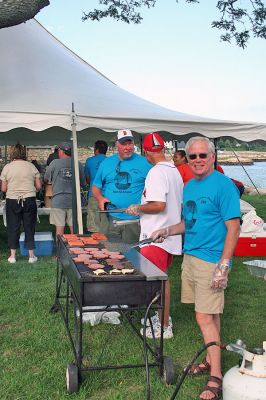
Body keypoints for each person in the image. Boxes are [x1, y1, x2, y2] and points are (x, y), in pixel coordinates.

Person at [151, 137, 240, 400]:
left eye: (203, 155)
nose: (198, 160)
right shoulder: (189, 186)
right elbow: (187, 222)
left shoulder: (223, 186)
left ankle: (217, 377)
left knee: (203, 317)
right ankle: (212, 360)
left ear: (212, 156)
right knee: (210, 315)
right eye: (193, 157)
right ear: (187, 160)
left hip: (211, 260)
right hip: (190, 256)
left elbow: (234, 228)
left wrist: (223, 265)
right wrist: (167, 230)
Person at [126, 132, 183, 339]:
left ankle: (164, 325)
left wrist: (137, 207)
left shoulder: (156, 173)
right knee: (160, 282)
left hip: (156, 237)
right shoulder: (173, 170)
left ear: (147, 151)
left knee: (159, 283)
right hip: (168, 235)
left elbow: (159, 205)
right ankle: (160, 318)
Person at [92, 129, 151, 243]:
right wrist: (100, 198)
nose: (128, 147)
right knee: (109, 252)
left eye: (130, 143)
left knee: (133, 254)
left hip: (135, 219)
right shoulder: (106, 163)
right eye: (124, 144)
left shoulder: (145, 163)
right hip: (111, 216)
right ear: (116, 145)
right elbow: (96, 186)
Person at [0, 143, 42, 263]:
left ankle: (12, 256)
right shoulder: (31, 167)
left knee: (13, 227)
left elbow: (3, 189)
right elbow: (39, 186)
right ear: (24, 153)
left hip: (12, 200)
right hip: (29, 199)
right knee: (29, 227)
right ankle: (31, 256)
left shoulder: (7, 167)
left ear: (12, 153)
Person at [44, 142, 86, 237]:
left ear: (61, 151)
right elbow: (83, 183)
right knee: (74, 229)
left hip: (58, 200)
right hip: (73, 201)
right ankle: (75, 250)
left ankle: (60, 250)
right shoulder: (77, 164)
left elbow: (45, 179)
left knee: (59, 229)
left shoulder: (54, 163)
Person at [84, 140, 108, 233]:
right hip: (107, 194)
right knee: (105, 218)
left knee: (93, 219)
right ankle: (105, 241)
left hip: (93, 193)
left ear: (96, 149)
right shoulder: (110, 161)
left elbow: (87, 178)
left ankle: (95, 242)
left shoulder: (89, 161)